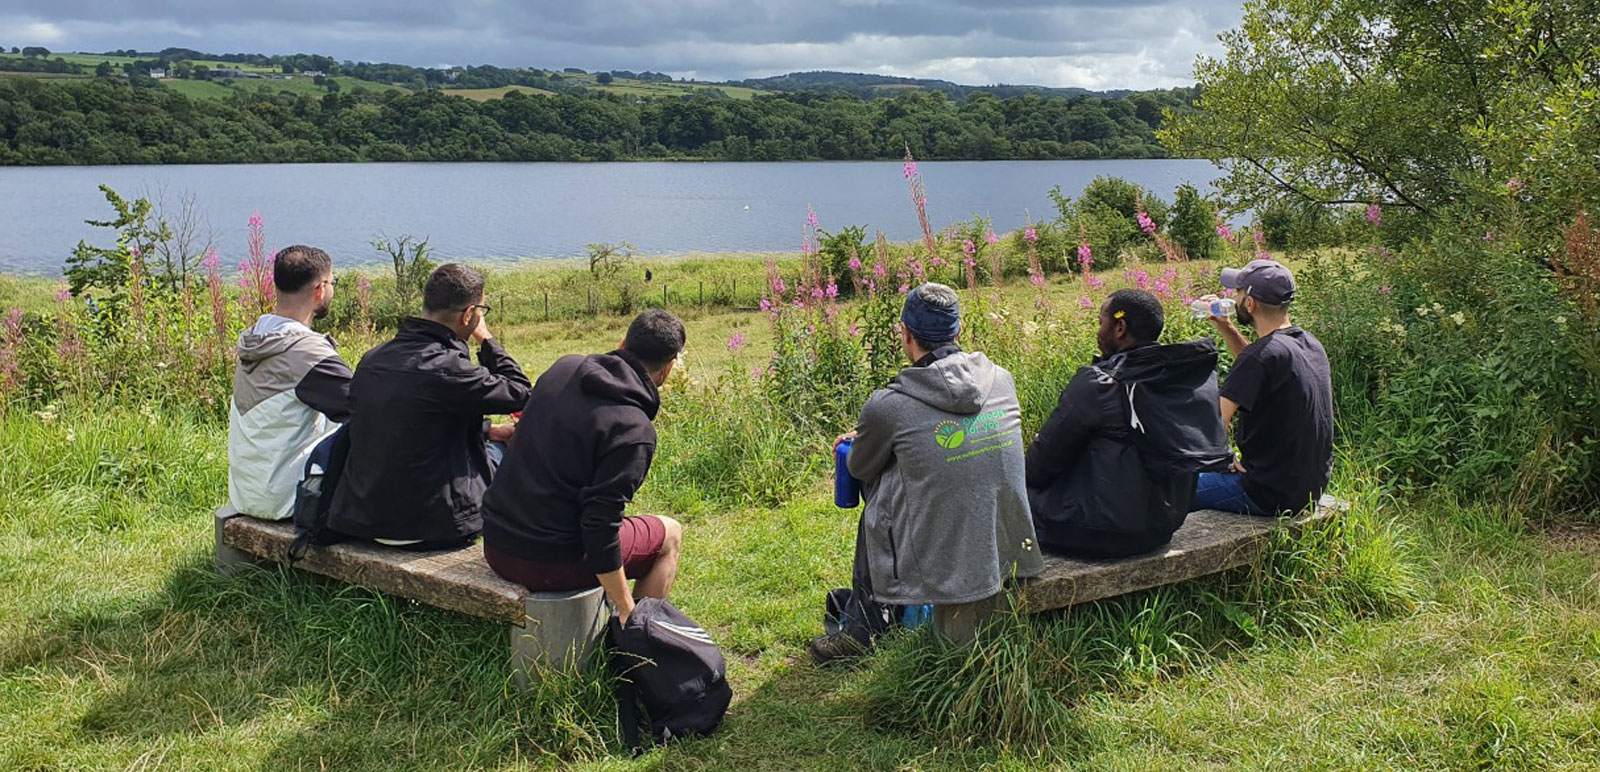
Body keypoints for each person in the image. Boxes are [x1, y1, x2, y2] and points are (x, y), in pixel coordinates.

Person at [810, 283, 1045, 663]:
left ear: (905, 332)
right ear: (958, 329)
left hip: (940, 551)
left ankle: (861, 630)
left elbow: (860, 468)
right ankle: (867, 618)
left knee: (881, 495)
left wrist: (866, 440)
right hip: (1009, 539)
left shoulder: (889, 404)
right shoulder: (1001, 379)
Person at [481, 310, 687, 624]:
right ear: (668, 368)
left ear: (621, 343)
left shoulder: (563, 368)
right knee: (670, 534)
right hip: (547, 564)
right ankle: (637, 639)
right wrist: (624, 605)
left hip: (496, 543)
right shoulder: (635, 430)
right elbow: (599, 527)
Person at [329, 264, 532, 550]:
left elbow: (409, 421)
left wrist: (489, 429)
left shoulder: (372, 359)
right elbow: (521, 392)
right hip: (435, 524)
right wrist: (485, 338)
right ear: (469, 314)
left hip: (365, 518)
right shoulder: (451, 369)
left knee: (494, 443)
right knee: (513, 450)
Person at [1025, 289, 1231, 557]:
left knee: (1005, 492)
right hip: (1162, 528)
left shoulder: (1100, 384)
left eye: (1102, 322)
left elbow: (1038, 467)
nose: (1099, 331)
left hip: (1098, 533)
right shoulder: (1184, 377)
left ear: (1120, 327)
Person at [1195, 258, 1333, 516]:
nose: (1233, 298)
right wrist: (1226, 327)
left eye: (1237, 292)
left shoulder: (1260, 357)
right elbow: (1257, 365)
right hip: (1309, 488)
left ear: (1250, 303)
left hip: (1265, 493)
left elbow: (1211, 427)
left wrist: (1224, 459)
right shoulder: (1308, 344)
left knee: (1170, 488)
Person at [228, 245, 351, 520]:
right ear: (320, 289)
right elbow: (364, 409)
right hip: (289, 500)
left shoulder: (256, 338)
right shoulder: (307, 355)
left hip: (246, 493)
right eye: (333, 283)